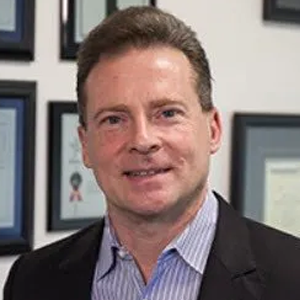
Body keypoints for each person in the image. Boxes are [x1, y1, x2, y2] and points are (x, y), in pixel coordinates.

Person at [3, 6, 300, 300]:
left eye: (168, 113)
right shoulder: (31, 280)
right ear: (84, 144)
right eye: (114, 120)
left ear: (213, 130)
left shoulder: (292, 277)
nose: (142, 140)